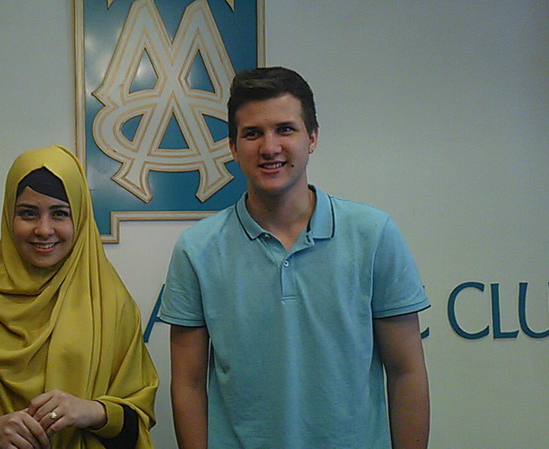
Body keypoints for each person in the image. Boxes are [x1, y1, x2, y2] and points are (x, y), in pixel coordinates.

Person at [159, 67, 430, 448]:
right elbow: (188, 385)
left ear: (312, 137)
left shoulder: (373, 234)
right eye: (252, 133)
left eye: (285, 129)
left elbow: (406, 372)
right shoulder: (197, 249)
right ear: (233, 147)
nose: (269, 147)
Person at [0, 145, 158, 449]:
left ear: (80, 219)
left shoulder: (111, 306)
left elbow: (137, 419)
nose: (43, 230)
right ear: (9, 216)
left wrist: (93, 411)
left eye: (60, 214)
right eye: (28, 213)